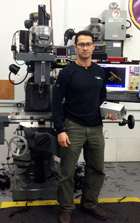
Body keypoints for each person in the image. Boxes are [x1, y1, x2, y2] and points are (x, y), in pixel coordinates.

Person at [52, 30, 116, 223]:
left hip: (96, 127)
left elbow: (102, 98)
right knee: (67, 171)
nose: (85, 47)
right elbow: (56, 103)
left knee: (97, 169)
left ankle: (89, 203)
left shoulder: (99, 71)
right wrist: (60, 130)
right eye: (81, 44)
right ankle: (66, 208)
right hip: (73, 127)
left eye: (88, 44)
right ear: (76, 48)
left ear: (93, 47)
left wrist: (108, 111)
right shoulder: (67, 72)